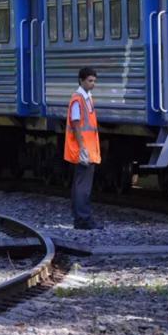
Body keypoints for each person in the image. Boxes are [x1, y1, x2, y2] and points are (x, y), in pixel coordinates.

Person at [64, 67, 102, 230]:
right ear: (81, 80)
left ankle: (80, 219)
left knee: (80, 186)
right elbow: (76, 124)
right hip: (83, 150)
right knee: (83, 188)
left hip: (88, 149)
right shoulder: (78, 99)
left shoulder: (87, 98)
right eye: (90, 81)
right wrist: (82, 148)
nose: (93, 84)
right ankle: (83, 220)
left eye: (94, 81)